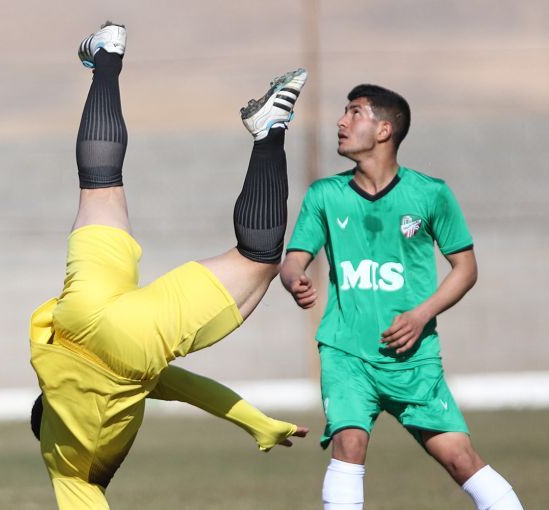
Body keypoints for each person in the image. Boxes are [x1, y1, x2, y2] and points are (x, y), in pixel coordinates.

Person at [29, 21, 309, 509]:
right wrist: (256, 422)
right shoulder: (66, 388)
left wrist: (259, 423)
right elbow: (191, 390)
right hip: (76, 316)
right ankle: (107, 56)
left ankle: (270, 132)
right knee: (99, 183)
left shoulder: (67, 471)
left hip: (131, 344)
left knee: (259, 260)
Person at [281, 84, 523, 510]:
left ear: (384, 130)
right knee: (349, 443)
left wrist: (420, 315)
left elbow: (466, 268)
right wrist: (293, 276)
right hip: (346, 350)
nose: (341, 121)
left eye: (355, 112)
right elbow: (293, 260)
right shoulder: (325, 195)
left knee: (459, 458)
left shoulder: (430, 194)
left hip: (412, 357)